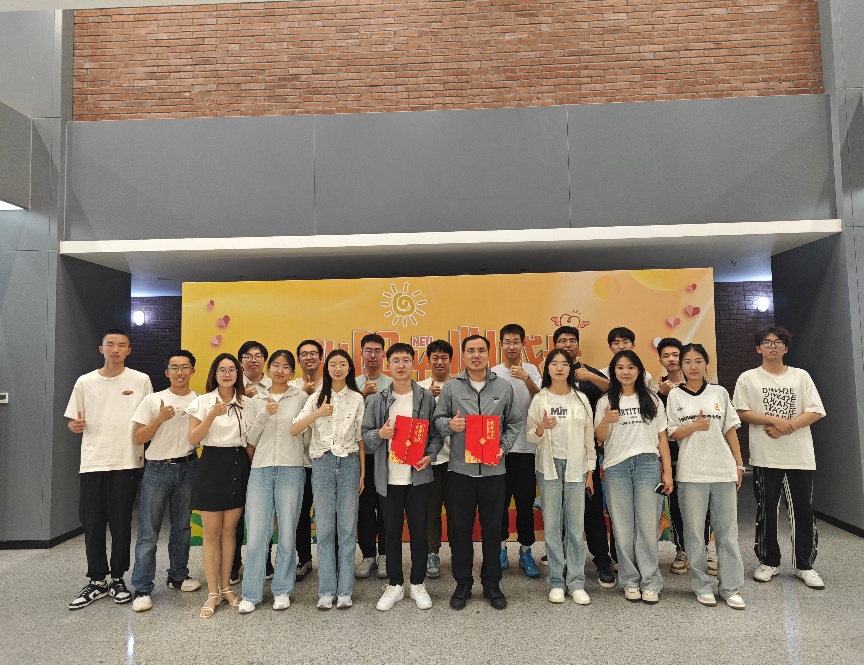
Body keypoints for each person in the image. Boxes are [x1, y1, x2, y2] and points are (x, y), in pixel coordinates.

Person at [732, 326, 826, 589]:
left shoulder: (801, 376)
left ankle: (804, 565)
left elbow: (815, 411)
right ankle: (769, 561)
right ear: (758, 348)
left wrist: (789, 426)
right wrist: (776, 420)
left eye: (778, 342)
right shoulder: (748, 378)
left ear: (786, 348)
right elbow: (741, 411)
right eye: (767, 342)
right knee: (767, 511)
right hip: (766, 457)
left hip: (799, 456)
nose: (772, 346)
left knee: (802, 511)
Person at [66, 329, 153, 610]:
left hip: (127, 461)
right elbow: (72, 421)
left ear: (129, 350)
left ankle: (117, 578)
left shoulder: (140, 380)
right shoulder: (85, 382)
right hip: (93, 461)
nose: (116, 349)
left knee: (121, 523)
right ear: (101, 349)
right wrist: (74, 426)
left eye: (122, 345)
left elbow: (150, 418)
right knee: (92, 523)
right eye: (110, 344)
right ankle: (96, 580)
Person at [433, 334, 522, 611]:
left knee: (493, 530)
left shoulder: (504, 387)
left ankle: (492, 583)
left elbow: (514, 422)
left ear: (488, 354)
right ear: (463, 355)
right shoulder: (452, 386)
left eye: (481, 350)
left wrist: (503, 447)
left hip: (494, 472)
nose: (476, 355)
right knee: (460, 530)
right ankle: (463, 583)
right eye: (470, 350)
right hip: (460, 472)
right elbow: (437, 420)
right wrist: (450, 425)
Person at [361, 343, 442, 610]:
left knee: (419, 531)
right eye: (396, 360)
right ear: (389, 364)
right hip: (388, 479)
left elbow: (435, 435)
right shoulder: (378, 400)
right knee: (391, 533)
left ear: (413, 364)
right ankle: (395, 584)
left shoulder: (426, 398)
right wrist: (379, 434)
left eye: (406, 360)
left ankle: (417, 582)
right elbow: (365, 435)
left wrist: (429, 456)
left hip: (418, 476)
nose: (401, 365)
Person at [667, 343, 746, 610]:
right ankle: (702, 586)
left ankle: (730, 587)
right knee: (694, 533)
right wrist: (695, 426)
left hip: (722, 470)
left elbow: (730, 430)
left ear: (706, 363)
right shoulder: (675, 395)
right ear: (681, 366)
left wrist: (739, 465)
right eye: (688, 362)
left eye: (698, 361)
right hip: (691, 473)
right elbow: (671, 433)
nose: (693, 366)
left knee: (727, 533)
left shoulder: (719, 392)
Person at [594, 350, 673, 604]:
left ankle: (650, 581)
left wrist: (667, 472)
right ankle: (629, 580)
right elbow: (599, 438)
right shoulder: (606, 400)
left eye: (630, 367)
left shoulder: (652, 399)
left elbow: (662, 437)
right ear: (613, 372)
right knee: (622, 526)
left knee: (647, 526)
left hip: (647, 465)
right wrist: (606, 421)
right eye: (620, 367)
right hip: (616, 467)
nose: (625, 372)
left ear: (639, 371)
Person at [291, 349, 366, 610]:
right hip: (322, 463)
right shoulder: (315, 397)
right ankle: (325, 591)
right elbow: (294, 428)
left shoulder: (357, 398)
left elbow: (360, 438)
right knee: (324, 529)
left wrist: (362, 473)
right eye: (333, 364)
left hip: (349, 463)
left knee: (347, 529)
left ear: (349, 368)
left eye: (342, 364)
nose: (337, 368)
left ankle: (345, 590)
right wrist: (318, 413)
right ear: (327, 368)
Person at [239, 350, 310, 614]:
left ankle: (282, 589)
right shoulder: (256, 398)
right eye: (276, 365)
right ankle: (251, 593)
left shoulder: (301, 397)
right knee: (257, 533)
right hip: (261, 469)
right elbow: (250, 438)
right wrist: (265, 414)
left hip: (292, 468)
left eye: (286, 366)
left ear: (293, 372)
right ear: (269, 369)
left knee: (288, 532)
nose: (280, 370)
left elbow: (305, 435)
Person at [130, 350, 201, 612]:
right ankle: (142, 588)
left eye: (185, 367)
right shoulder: (152, 400)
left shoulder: (199, 400)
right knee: (149, 531)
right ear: (167, 372)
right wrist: (159, 418)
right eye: (174, 367)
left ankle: (178, 576)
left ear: (193, 371)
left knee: (182, 527)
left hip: (189, 466)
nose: (179, 372)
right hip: (158, 469)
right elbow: (139, 438)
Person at [187, 353, 253, 618]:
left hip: (238, 464)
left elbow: (250, 440)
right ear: (214, 374)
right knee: (212, 532)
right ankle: (212, 592)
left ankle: (226, 587)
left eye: (232, 370)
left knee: (230, 531)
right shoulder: (202, 402)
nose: (227, 374)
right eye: (222, 370)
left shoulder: (246, 403)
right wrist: (212, 415)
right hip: (212, 464)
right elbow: (193, 438)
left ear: (238, 374)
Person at [526, 349, 595, 605]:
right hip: (549, 466)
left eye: (564, 364)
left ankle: (576, 582)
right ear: (548, 369)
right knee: (553, 525)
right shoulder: (540, 399)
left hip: (577, 466)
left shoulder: (581, 399)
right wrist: (541, 428)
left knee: (576, 527)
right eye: (554, 364)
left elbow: (589, 438)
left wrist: (590, 470)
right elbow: (530, 435)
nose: (559, 368)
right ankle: (556, 580)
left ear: (570, 368)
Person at [551, 325, 616, 589]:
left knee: (592, 509)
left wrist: (590, 376)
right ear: (555, 346)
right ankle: (563, 559)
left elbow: (615, 391)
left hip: (586, 454)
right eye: (562, 340)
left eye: (572, 340)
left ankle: (602, 560)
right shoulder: (552, 374)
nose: (567, 344)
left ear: (578, 346)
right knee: (561, 510)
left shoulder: (589, 374)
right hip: (556, 455)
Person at [492, 323, 542, 578]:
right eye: (507, 342)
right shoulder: (492, 372)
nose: (511, 346)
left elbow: (541, 400)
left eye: (516, 342)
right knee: (499, 503)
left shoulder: (532, 370)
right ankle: (500, 549)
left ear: (523, 344)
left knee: (524, 503)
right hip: (499, 450)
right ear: (501, 344)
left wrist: (526, 379)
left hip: (526, 448)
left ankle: (526, 551)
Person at [232, 340, 273, 584]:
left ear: (265, 361)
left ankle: (265, 561)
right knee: (236, 512)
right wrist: (241, 396)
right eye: (247, 356)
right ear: (240, 362)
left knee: (264, 512)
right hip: (238, 457)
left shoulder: (274, 385)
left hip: (265, 455)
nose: (253, 359)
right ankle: (234, 563)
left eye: (258, 355)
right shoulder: (232, 386)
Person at [354, 333, 392, 579]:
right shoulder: (352, 383)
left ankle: (385, 555)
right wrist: (363, 393)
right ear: (361, 353)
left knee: (387, 507)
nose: (373, 355)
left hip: (387, 455)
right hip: (360, 456)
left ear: (384, 355)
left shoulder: (393, 382)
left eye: (378, 350)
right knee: (364, 508)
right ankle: (368, 555)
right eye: (368, 350)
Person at [291, 339, 325, 582]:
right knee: (300, 513)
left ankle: (329, 560)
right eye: (304, 354)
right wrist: (303, 394)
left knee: (326, 514)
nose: (309, 357)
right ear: (299, 360)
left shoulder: (332, 384)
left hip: (324, 459)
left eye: (314, 353)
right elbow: (288, 422)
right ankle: (304, 559)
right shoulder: (292, 386)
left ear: (321, 359)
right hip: (297, 461)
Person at [418, 339, 453, 579]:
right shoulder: (419, 388)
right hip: (428, 461)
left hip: (455, 460)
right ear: (428, 361)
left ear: (451, 360)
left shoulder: (459, 385)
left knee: (457, 511)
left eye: (444, 358)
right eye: (435, 358)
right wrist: (425, 400)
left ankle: (459, 552)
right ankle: (432, 553)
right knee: (431, 512)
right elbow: (413, 422)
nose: (439, 362)